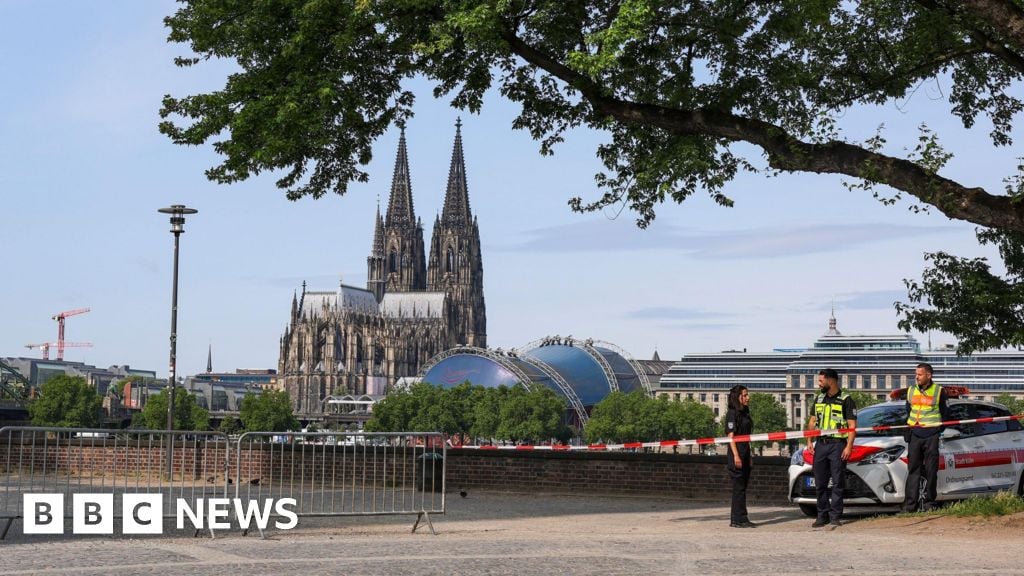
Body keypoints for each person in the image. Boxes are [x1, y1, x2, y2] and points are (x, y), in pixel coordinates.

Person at [805, 368, 857, 528]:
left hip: (837, 445)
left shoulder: (846, 399)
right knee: (819, 482)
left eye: (821, 381)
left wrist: (849, 446)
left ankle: (835, 515)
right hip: (821, 444)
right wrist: (809, 441)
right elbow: (812, 422)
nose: (818, 384)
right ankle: (822, 515)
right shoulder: (819, 399)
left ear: (831, 381)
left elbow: (852, 425)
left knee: (837, 482)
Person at [903, 362, 949, 512]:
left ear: (929, 375)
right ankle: (910, 506)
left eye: (920, 374)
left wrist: (937, 429)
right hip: (915, 434)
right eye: (916, 374)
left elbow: (946, 413)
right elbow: (908, 410)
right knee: (913, 471)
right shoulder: (910, 390)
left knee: (930, 471)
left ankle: (929, 503)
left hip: (931, 435)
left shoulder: (939, 391)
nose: (916, 377)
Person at [725, 385, 756, 528]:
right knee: (738, 487)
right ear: (738, 397)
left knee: (743, 486)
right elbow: (731, 436)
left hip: (745, 451)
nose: (747, 397)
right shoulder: (732, 413)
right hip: (736, 453)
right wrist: (736, 455)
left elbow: (747, 436)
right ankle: (737, 519)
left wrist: (749, 454)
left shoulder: (745, 412)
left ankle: (742, 517)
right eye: (745, 395)